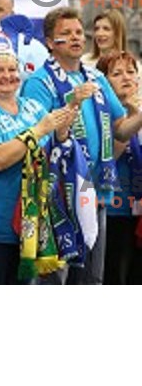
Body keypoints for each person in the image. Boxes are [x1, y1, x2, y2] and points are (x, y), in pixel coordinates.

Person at [22, 8, 142, 284]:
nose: (76, 38)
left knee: (91, 278)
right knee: (57, 278)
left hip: (96, 191)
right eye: (66, 33)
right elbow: (38, 139)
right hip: (60, 194)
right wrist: (71, 102)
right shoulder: (39, 83)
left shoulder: (95, 77)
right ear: (50, 43)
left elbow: (121, 128)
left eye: (78, 32)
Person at [0, 38, 75, 284]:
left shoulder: (33, 106)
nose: (8, 76)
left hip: (36, 227)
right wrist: (37, 131)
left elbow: (54, 155)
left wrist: (61, 132)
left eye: (12, 69)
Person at [97, 51, 142, 284]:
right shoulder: (100, 114)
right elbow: (108, 156)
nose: (126, 78)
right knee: (113, 276)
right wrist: (133, 119)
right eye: (117, 73)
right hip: (113, 209)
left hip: (139, 213)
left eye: (131, 72)